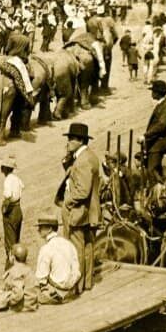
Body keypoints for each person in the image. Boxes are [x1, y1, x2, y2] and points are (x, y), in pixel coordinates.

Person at [57, 121, 101, 293]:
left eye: (71, 139)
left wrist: (68, 202)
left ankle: (77, 286)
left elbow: (82, 191)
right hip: (89, 212)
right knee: (88, 247)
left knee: (76, 249)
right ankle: (86, 283)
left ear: (80, 141)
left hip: (78, 212)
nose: (68, 142)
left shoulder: (83, 161)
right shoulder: (88, 156)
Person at [34, 213, 80, 304]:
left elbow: (41, 277)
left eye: (41, 227)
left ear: (50, 229)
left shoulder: (46, 248)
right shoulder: (68, 243)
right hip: (72, 288)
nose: (38, 230)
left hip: (58, 290)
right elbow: (76, 267)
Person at [143, 79, 166, 179]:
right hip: (157, 142)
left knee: (152, 170)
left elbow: (161, 125)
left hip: (160, 142)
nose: (151, 93)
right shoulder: (161, 105)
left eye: (153, 91)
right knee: (155, 170)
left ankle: (157, 192)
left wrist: (146, 135)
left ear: (158, 93)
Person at [0, 244, 36, 311]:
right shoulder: (27, 268)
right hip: (32, 300)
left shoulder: (15, 270)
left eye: (10, 255)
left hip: (24, 304)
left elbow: (18, 292)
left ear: (13, 258)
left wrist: (8, 302)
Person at [0, 153, 23, 269]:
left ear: (4, 168)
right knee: (16, 240)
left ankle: (11, 269)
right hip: (18, 209)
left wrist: (4, 208)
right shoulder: (17, 179)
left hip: (11, 209)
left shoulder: (8, 180)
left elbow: (8, 195)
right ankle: (18, 266)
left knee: (10, 243)